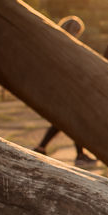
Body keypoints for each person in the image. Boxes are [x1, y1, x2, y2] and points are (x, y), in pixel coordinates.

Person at [32, 16, 98, 169]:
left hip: (60, 91)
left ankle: (41, 148)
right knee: (75, 122)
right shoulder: (68, 47)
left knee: (61, 122)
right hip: (69, 91)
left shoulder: (54, 45)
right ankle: (80, 155)